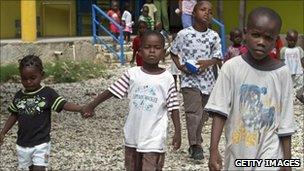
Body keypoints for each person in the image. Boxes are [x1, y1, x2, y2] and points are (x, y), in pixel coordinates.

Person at [204, 7, 297, 171]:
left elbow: (285, 121)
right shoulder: (231, 68)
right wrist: (213, 150)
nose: (261, 42)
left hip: (270, 151)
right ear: (246, 33)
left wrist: (287, 161)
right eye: (256, 35)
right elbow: (219, 111)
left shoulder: (282, 73)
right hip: (238, 152)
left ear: (276, 41)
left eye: (268, 38)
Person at [82, 30, 181, 171]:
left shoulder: (167, 78)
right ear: (139, 51)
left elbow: (174, 107)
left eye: (157, 48)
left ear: (164, 52)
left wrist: (178, 131)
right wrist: (92, 105)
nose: (152, 51)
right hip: (132, 135)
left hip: (154, 138)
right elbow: (111, 90)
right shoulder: (132, 74)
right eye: (147, 47)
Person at [0, 55, 83, 170]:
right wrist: (3, 132)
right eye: (24, 79)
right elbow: (14, 115)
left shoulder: (47, 93)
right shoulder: (19, 95)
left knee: (39, 168)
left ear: (42, 75)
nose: (28, 82)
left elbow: (63, 104)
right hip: (22, 144)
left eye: (33, 78)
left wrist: (81, 109)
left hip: (41, 143)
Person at [170, 1, 222, 160]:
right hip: (189, 81)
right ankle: (195, 145)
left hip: (208, 82)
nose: (207, 13)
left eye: (210, 11)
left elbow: (217, 57)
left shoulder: (214, 36)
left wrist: (208, 63)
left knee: (205, 114)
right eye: (203, 9)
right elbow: (173, 52)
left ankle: (196, 138)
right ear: (193, 13)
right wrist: (180, 66)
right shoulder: (184, 34)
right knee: (193, 113)